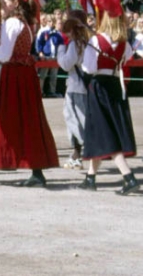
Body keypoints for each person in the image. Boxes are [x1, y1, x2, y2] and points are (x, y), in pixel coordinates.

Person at [0, 0, 59, 187]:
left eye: (5, 1)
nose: (2, 5)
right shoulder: (27, 23)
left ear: (15, 3)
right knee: (28, 121)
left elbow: (4, 54)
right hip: (24, 76)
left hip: (11, 75)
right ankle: (34, 171)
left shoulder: (12, 23)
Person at [77, 13, 140, 194]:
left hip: (99, 87)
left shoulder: (96, 41)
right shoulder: (124, 43)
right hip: (115, 86)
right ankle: (90, 177)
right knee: (103, 129)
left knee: (105, 131)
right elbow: (126, 59)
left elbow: (89, 68)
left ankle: (128, 177)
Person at [57, 10, 90, 170]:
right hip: (85, 85)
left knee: (74, 120)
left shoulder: (74, 44)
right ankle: (77, 154)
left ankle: (81, 152)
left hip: (75, 86)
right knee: (80, 119)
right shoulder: (88, 41)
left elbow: (66, 64)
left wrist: (60, 51)